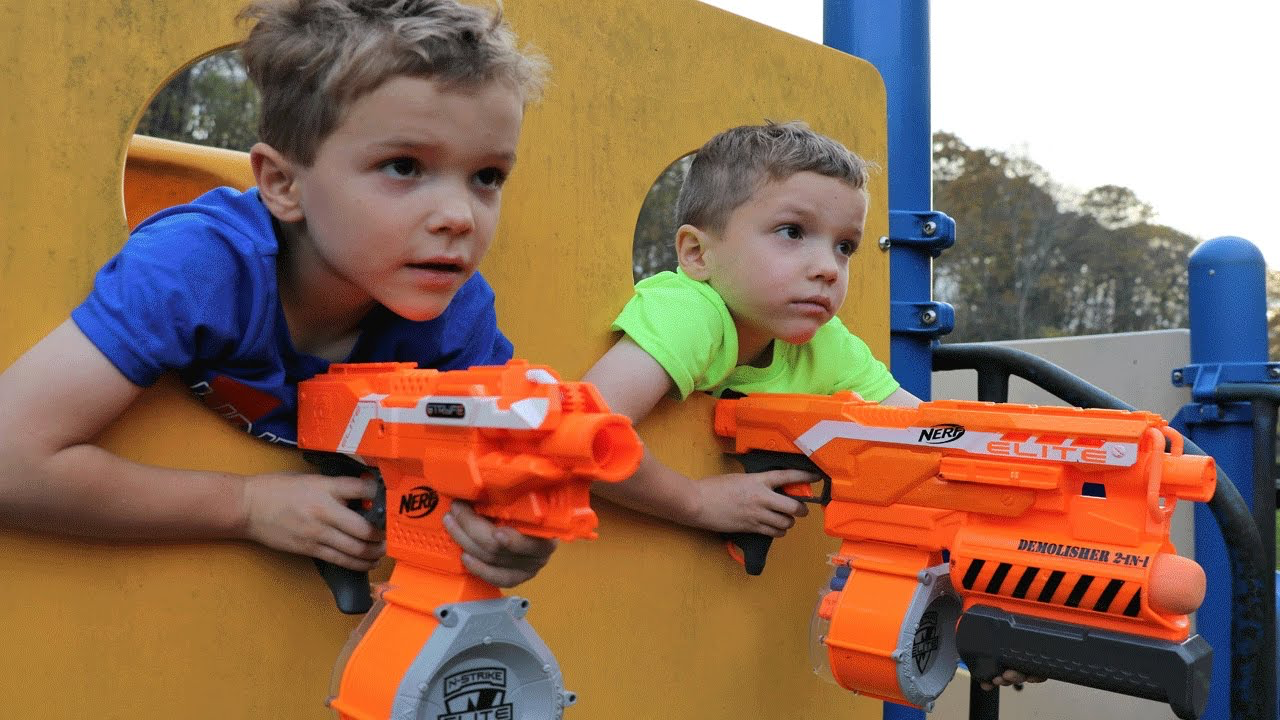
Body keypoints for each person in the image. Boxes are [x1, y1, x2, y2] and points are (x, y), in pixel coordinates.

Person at [0, 0, 554, 589]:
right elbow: (11, 458)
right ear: (283, 184)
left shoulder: (458, 319)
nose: (460, 216)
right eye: (403, 166)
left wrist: (513, 534)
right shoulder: (195, 268)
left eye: (487, 177)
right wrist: (245, 505)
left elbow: (500, 474)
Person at [583, 120, 1039, 689]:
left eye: (844, 246)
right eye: (792, 232)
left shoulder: (826, 344)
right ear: (697, 254)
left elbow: (926, 445)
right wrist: (696, 501)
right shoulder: (687, 312)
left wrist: (995, 600)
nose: (828, 267)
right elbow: (581, 433)